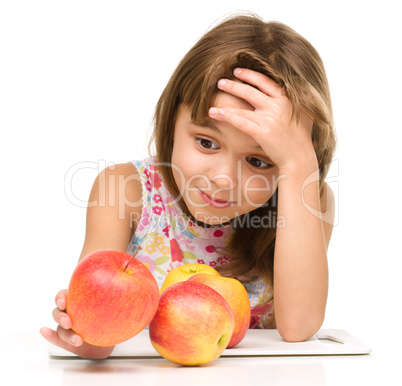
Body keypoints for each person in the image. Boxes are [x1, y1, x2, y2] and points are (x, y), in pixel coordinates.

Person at [40, 12, 336, 359]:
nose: (223, 178)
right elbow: (96, 326)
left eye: (259, 161)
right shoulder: (125, 190)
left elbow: (299, 326)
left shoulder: (305, 196)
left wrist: (299, 167)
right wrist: (89, 338)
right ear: (172, 121)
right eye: (206, 143)